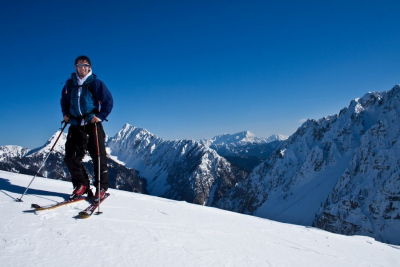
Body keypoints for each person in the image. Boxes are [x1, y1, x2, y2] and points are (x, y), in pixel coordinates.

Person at [60, 55, 113, 200]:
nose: (81, 68)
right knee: (71, 157)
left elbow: (108, 101)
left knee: (98, 156)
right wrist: (66, 113)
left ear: (89, 67)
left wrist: (101, 116)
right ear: (75, 67)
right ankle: (81, 184)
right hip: (76, 124)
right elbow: (64, 100)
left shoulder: (96, 83)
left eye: (84, 65)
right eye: (78, 65)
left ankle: (101, 188)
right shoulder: (70, 84)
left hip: (92, 124)